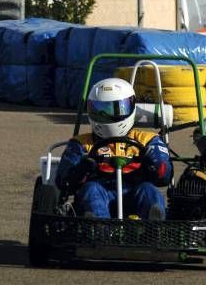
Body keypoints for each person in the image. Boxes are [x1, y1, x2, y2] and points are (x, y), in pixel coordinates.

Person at [55, 77, 172, 220]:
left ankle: (154, 228)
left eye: (115, 109)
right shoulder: (81, 144)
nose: (109, 115)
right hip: (101, 193)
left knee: (149, 190)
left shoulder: (148, 140)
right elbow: (63, 181)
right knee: (91, 189)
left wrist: (153, 162)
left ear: (131, 106)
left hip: (135, 193)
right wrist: (82, 168)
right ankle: (97, 228)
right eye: (101, 110)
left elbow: (164, 177)